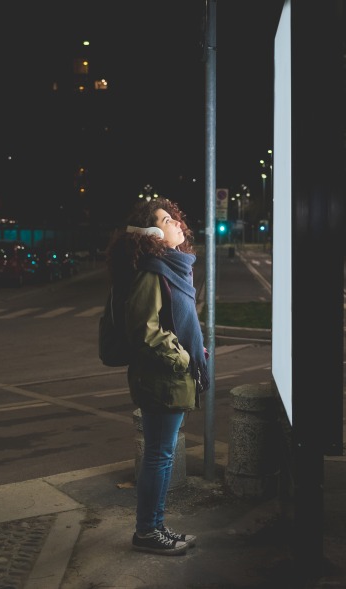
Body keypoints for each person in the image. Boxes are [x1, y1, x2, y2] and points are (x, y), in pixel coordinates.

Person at [104, 198, 209, 556]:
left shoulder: (171, 267)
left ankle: (155, 526)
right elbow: (146, 331)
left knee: (161, 454)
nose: (178, 224)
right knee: (159, 456)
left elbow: (175, 321)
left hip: (167, 378)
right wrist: (182, 358)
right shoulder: (153, 271)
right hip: (161, 379)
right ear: (151, 234)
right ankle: (148, 531)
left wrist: (195, 350)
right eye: (167, 220)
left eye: (177, 218)